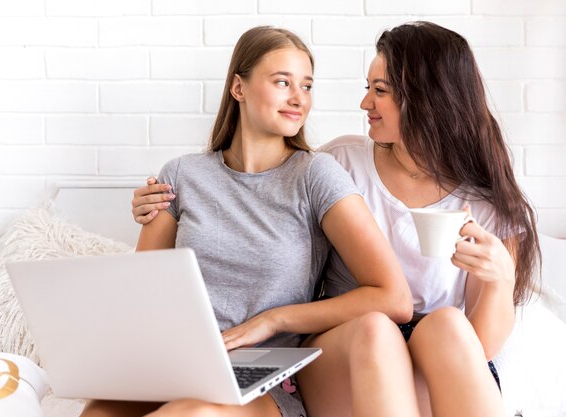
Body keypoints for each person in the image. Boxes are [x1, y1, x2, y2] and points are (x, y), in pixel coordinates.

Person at [131, 21, 541, 417]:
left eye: (379, 91)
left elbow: (480, 347)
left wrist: (500, 280)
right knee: (375, 327)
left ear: (427, 99)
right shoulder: (341, 161)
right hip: (351, 348)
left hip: (437, 358)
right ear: (239, 87)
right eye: (369, 88)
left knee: (445, 323)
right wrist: (158, 203)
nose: (364, 103)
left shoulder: (491, 205)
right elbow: (269, 187)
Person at [82, 26, 411, 417]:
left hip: (263, 376)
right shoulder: (180, 176)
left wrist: (273, 320)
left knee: (193, 413)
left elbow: (393, 297)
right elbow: (142, 295)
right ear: (239, 88)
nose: (297, 98)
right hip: (180, 363)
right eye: (282, 82)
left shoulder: (316, 175)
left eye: (306, 86)